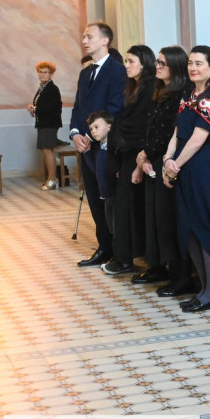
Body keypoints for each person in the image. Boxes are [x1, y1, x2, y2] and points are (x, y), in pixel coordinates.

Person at [162, 46, 210, 313]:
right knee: (188, 229)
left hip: (203, 169)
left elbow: (199, 140)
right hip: (183, 166)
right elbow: (177, 133)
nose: (192, 68)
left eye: (199, 63)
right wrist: (167, 160)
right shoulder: (189, 96)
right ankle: (202, 288)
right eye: (190, 63)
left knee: (204, 229)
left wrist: (175, 163)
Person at [70, 22, 127, 268]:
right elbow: (77, 107)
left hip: (105, 145)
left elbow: (115, 107)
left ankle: (118, 249)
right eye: (84, 36)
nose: (85, 40)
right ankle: (103, 246)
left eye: (90, 36)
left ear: (105, 40)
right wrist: (75, 134)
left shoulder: (117, 71)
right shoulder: (85, 73)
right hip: (85, 146)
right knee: (93, 197)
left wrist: (93, 133)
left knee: (108, 199)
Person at [135, 46, 192, 291]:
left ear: (175, 68)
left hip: (170, 160)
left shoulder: (181, 93)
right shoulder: (161, 91)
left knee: (169, 219)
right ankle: (159, 266)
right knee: (155, 217)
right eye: (157, 62)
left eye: (162, 63)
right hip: (155, 158)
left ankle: (180, 276)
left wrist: (146, 154)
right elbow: (152, 128)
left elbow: (170, 132)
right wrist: (144, 156)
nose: (157, 66)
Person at [103, 45, 157, 276]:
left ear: (144, 63)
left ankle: (127, 258)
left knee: (128, 206)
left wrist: (119, 134)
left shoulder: (149, 87)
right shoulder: (133, 86)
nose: (126, 65)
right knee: (123, 205)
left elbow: (139, 124)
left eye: (131, 61)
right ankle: (125, 255)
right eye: (125, 61)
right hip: (126, 152)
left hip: (138, 154)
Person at [28, 61, 65, 190]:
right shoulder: (42, 87)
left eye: (45, 72)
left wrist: (35, 108)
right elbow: (40, 106)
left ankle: (52, 179)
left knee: (48, 150)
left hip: (49, 124)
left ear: (51, 74)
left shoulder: (52, 88)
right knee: (45, 150)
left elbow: (49, 108)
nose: (42, 75)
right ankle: (50, 178)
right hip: (43, 123)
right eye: (40, 72)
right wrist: (33, 109)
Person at [84, 110, 117, 242]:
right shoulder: (99, 150)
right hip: (106, 196)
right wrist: (87, 154)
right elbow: (97, 171)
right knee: (111, 227)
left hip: (114, 195)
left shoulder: (113, 149)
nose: (93, 131)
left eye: (96, 127)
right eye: (91, 129)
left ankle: (121, 258)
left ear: (109, 126)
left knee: (117, 227)